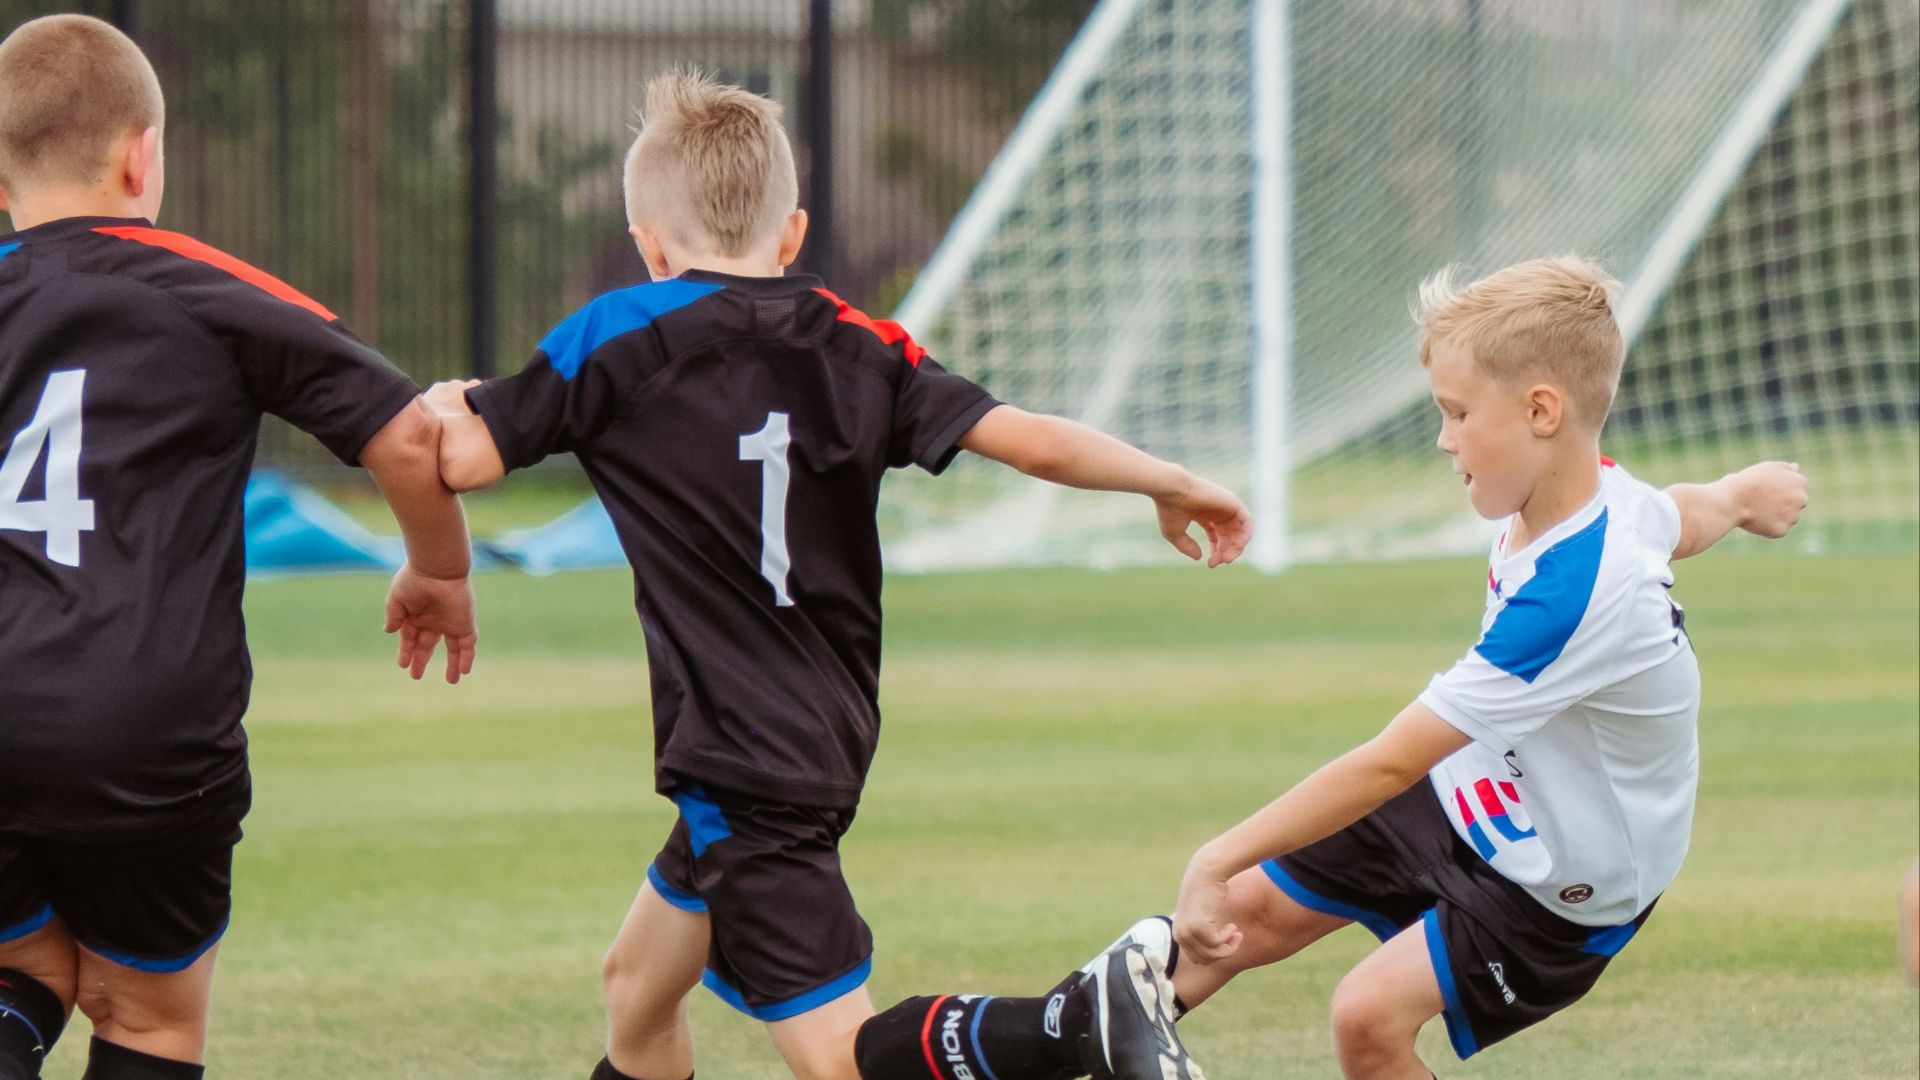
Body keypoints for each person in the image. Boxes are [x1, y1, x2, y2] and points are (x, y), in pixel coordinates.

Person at [425, 70, 1249, 1080]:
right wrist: (1169, 480)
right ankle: (1079, 1024)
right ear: (791, 233)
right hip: (822, 730)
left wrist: (445, 401)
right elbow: (1026, 439)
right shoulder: (862, 342)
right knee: (637, 988)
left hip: (737, 751)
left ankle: (1077, 1023)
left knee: (837, 1060)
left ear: (648, 242)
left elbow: (461, 461)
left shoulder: (619, 333)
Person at [894, 255, 1811, 1080]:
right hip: (1481, 787)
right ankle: (1030, 1045)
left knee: (1366, 1020)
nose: (1444, 440)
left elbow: (1387, 763)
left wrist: (1214, 852)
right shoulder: (1585, 492)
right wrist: (1741, 496)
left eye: (1457, 415)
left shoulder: (1573, 596)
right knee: (1235, 919)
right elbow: (1673, 516)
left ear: (1541, 412)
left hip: (1563, 880)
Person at [0, 15, 475, 1080]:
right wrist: (438, 570)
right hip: (142, 720)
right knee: (146, 1018)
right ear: (143, 154)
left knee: (24, 972)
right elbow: (406, 436)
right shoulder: (207, 288)